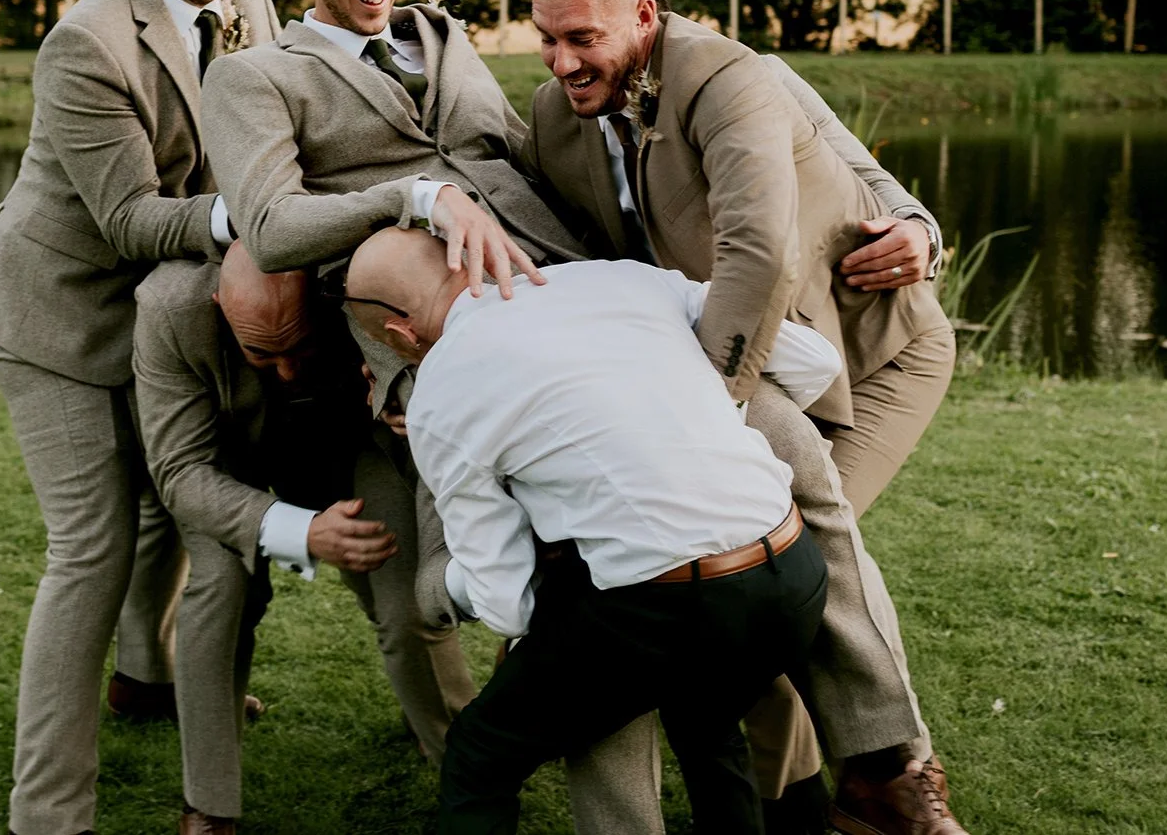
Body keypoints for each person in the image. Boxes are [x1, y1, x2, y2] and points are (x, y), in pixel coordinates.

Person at [201, 0, 664, 832]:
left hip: (560, 302)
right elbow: (273, 227)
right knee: (419, 603)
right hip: (407, 353)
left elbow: (521, 157)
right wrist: (415, 197)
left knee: (606, 556)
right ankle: (472, 762)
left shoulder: (445, 37)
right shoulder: (254, 77)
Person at [520, 0, 967, 835]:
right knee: (744, 569)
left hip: (875, 352)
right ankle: (799, 803)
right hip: (749, 367)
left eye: (583, 37)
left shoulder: (728, 75)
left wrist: (921, 230)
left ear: (645, 15)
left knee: (783, 551)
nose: (563, 62)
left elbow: (762, 248)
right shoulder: (552, 121)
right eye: (547, 38)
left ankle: (891, 773)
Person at [0, 0, 280, 835]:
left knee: (171, 507)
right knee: (92, 546)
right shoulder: (84, 43)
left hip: (159, 308)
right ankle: (48, 812)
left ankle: (144, 677)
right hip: (53, 313)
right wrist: (267, 221)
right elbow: (132, 218)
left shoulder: (254, 6)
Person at [344, 229, 833, 835]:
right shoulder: (617, 276)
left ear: (400, 332)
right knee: (707, 726)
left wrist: (447, 588)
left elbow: (505, 599)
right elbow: (815, 361)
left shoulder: (438, 392)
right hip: (795, 572)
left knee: (479, 752)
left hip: (668, 608)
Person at [133, 244, 419, 834]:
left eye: (298, 347)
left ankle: (457, 745)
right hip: (218, 457)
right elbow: (180, 470)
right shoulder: (168, 308)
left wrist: (409, 397)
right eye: (263, 352)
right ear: (220, 305)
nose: (285, 370)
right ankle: (208, 807)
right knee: (222, 585)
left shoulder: (355, 272)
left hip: (348, 435)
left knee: (402, 594)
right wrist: (297, 530)